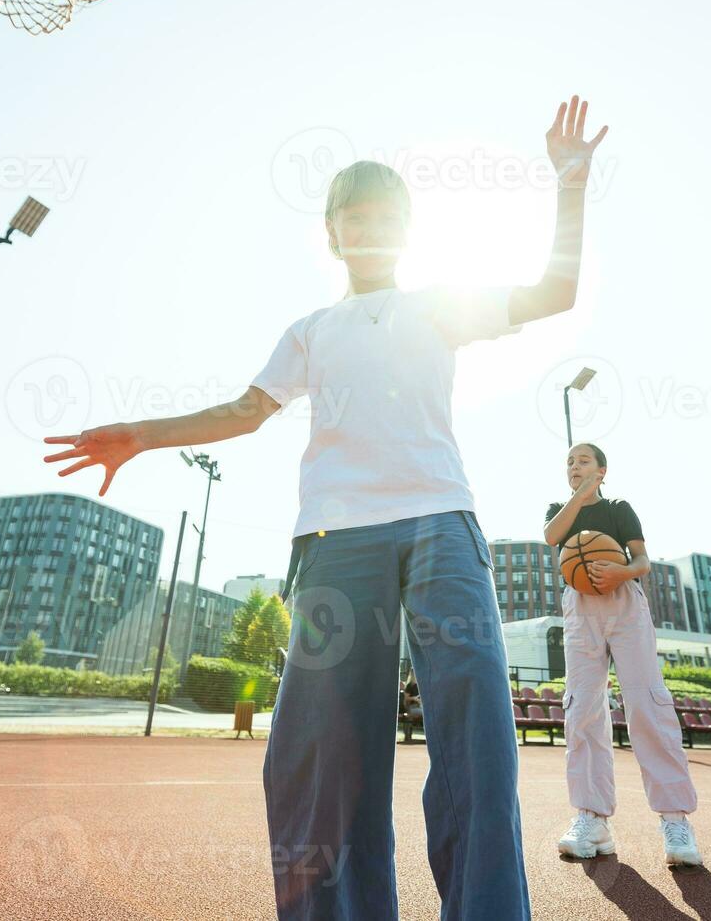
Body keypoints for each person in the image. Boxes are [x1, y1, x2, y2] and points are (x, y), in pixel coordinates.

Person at [43, 96, 609, 919]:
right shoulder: (312, 328)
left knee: (476, 737)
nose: (371, 226)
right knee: (318, 754)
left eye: (387, 215)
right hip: (336, 541)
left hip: (440, 528)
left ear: (408, 231)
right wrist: (143, 433)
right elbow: (244, 412)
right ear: (334, 232)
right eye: (355, 214)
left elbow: (554, 291)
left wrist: (570, 185)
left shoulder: (440, 306)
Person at [544, 442, 702, 868]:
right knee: (582, 708)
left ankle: (675, 819)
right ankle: (591, 818)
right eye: (569, 463)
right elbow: (552, 538)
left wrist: (621, 571)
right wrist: (579, 495)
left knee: (647, 702)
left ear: (602, 470)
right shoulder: (560, 508)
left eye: (583, 461)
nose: (574, 467)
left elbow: (643, 560)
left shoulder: (619, 507)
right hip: (580, 605)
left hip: (624, 602)